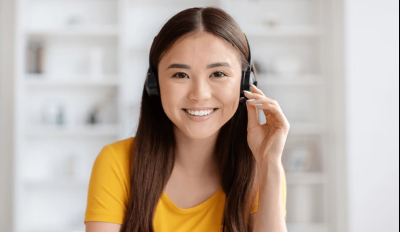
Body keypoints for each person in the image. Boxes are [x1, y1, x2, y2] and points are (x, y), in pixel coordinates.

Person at [85, 6, 289, 232]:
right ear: (155, 85)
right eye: (180, 75)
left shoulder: (263, 169)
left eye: (218, 74)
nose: (199, 94)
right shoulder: (116, 162)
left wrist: (269, 163)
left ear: (244, 83)